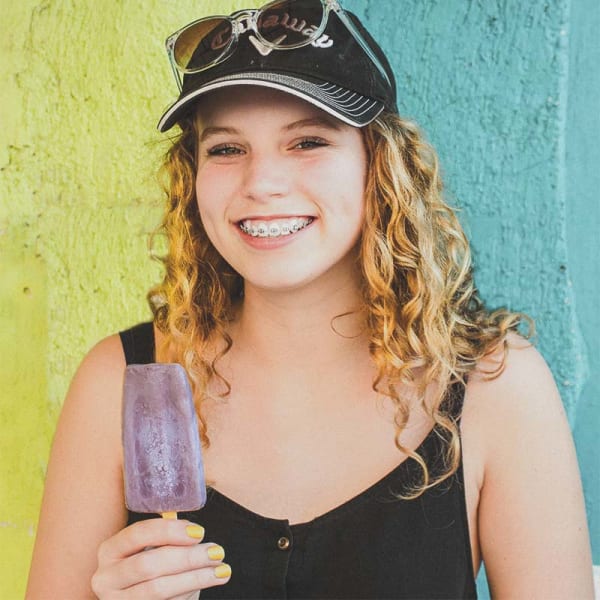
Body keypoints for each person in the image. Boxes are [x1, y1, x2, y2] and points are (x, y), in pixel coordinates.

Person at [26, 1, 594, 598]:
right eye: (225, 148)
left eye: (308, 141)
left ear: (381, 167)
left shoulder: (495, 390)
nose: (262, 182)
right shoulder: (118, 382)